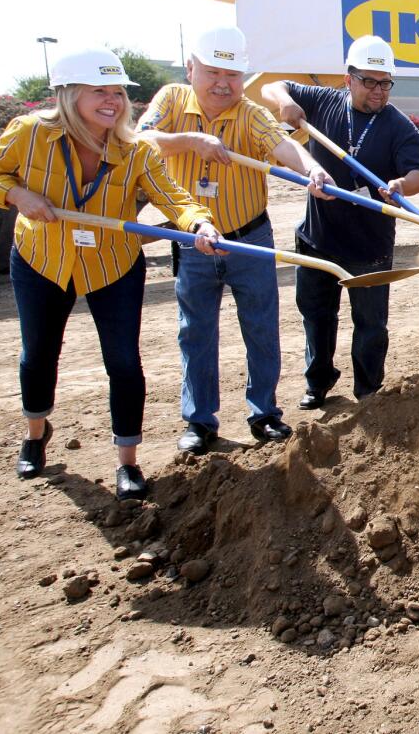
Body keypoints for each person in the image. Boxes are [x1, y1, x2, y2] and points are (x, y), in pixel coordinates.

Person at [0, 48, 220, 499]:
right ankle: (35, 434)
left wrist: (198, 223)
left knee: (124, 363)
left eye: (118, 93)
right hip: (41, 259)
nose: (112, 101)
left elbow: (173, 197)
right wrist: (16, 196)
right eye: (99, 91)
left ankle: (127, 462)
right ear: (69, 94)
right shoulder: (29, 133)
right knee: (38, 354)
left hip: (112, 264)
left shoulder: (135, 151)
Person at [137, 26, 334, 455]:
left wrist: (311, 170)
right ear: (191, 69)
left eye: (232, 74)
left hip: (251, 239)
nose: (223, 83)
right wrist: (192, 141)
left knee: (262, 329)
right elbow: (139, 141)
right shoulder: (171, 101)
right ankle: (199, 421)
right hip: (193, 241)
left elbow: (281, 146)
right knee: (197, 333)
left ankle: (263, 413)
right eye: (212, 72)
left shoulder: (249, 112)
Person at [261, 36, 419, 409]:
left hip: (369, 248)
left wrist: (401, 185)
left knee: (371, 326)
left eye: (385, 82)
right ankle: (318, 382)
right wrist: (286, 103)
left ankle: (369, 392)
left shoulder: (399, 127)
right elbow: (274, 87)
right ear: (348, 77)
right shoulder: (323, 101)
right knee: (317, 316)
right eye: (369, 81)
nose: (378, 90)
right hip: (318, 238)